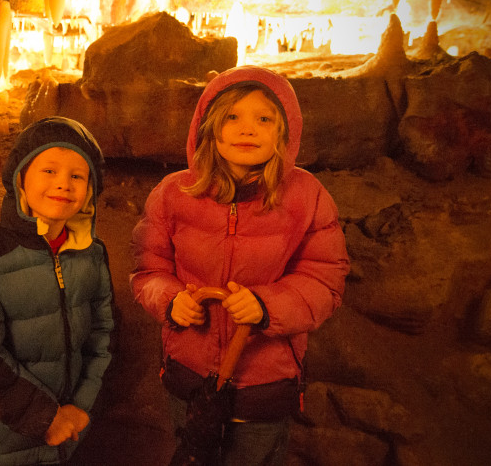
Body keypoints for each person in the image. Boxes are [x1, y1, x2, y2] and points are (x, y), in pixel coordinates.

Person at [130, 66, 350, 466]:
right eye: (232, 117)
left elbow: (325, 277)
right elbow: (149, 269)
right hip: (189, 375)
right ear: (209, 126)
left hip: (263, 384)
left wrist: (268, 307)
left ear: (285, 133)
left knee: (254, 455)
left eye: (264, 118)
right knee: (192, 449)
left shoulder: (307, 197)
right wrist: (171, 301)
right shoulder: (172, 194)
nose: (247, 129)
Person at [0, 116, 114, 465]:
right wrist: (46, 418)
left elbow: (103, 336)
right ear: (20, 180)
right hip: (2, 439)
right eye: (49, 171)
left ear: (90, 189)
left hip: (68, 433)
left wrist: (81, 407)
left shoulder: (91, 254)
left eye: (77, 176)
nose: (64, 184)